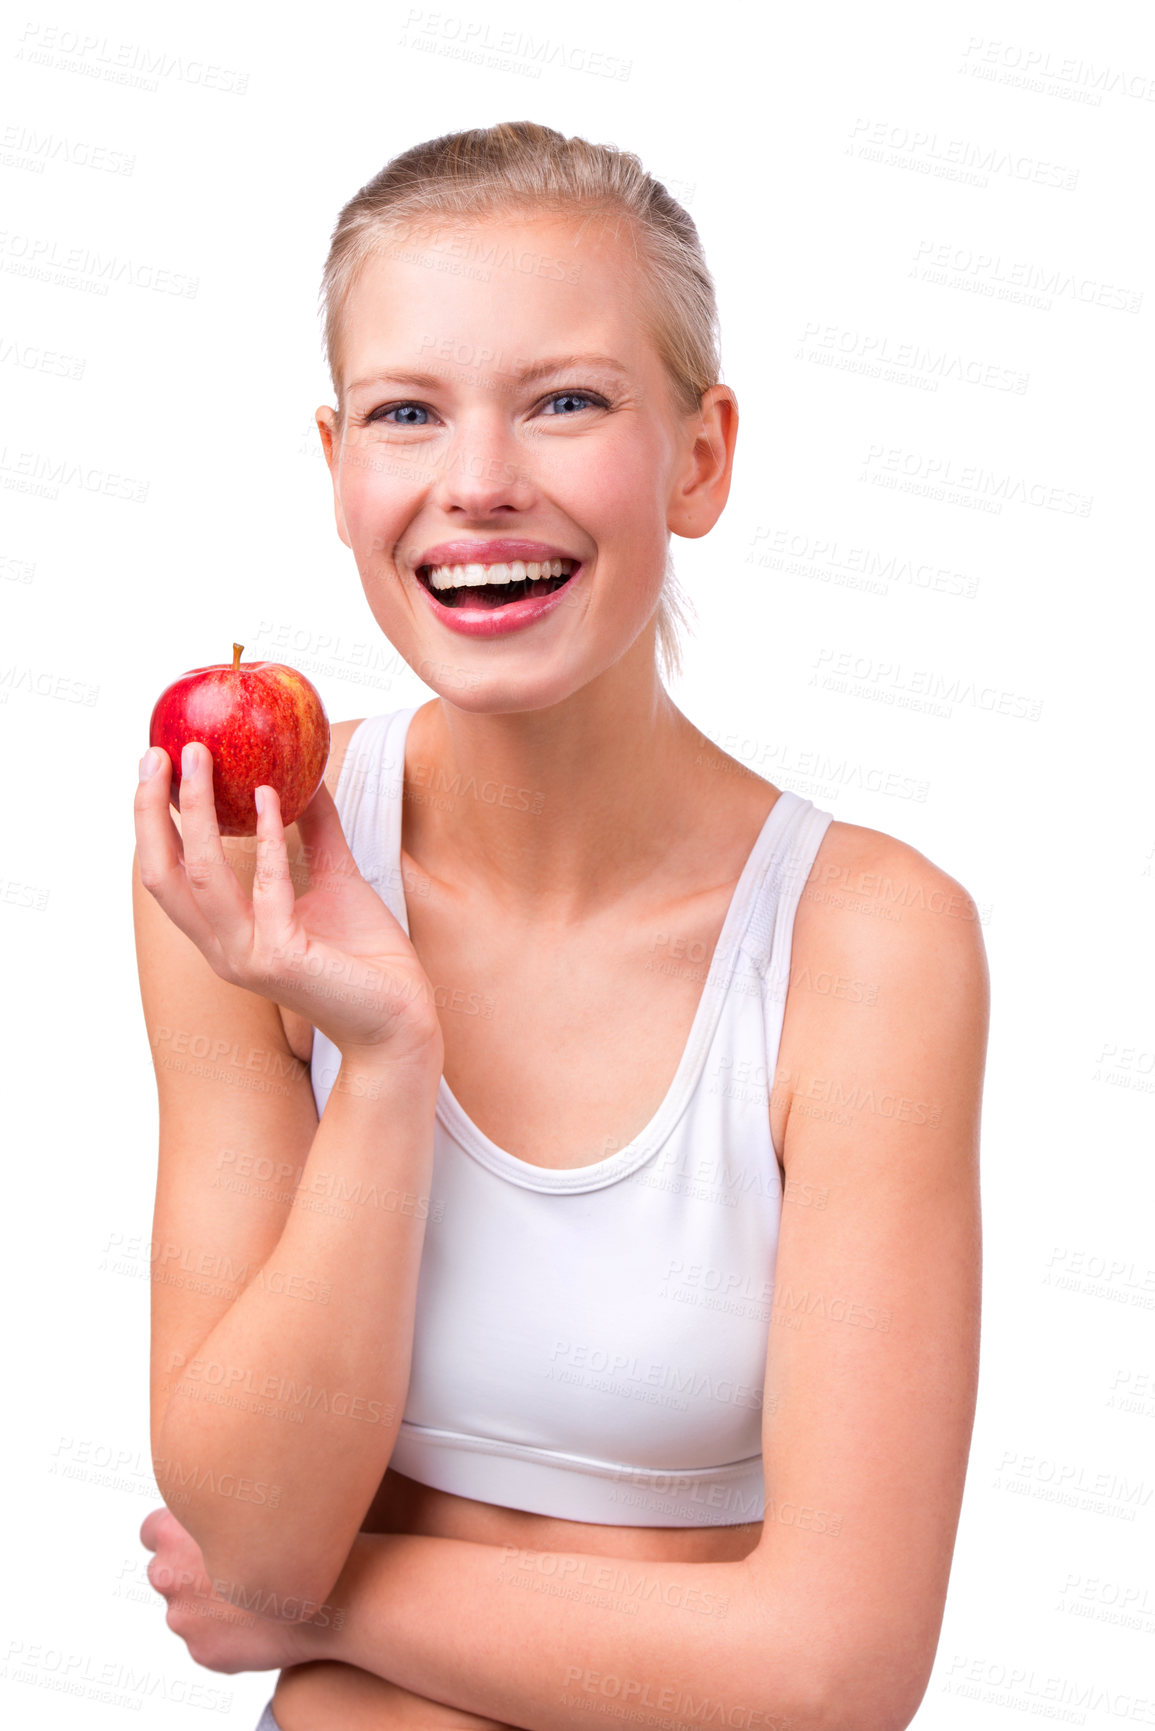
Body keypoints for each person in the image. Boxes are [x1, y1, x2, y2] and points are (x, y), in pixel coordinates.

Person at [132, 122, 988, 1731]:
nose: (477, 484)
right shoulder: (239, 868)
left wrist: (327, 1599)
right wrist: (383, 1054)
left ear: (701, 456)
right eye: (406, 413)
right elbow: (249, 1518)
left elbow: (832, 1672)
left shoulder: (869, 943)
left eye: (567, 401)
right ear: (336, 468)